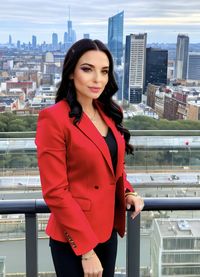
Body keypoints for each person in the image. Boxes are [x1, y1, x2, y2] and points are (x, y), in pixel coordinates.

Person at [35, 38, 144, 277]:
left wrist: (127, 190)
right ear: (71, 73)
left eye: (104, 71)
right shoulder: (53, 119)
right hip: (74, 238)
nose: (98, 79)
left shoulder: (109, 112)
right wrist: (86, 250)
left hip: (107, 229)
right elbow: (55, 191)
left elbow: (112, 164)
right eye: (87, 69)